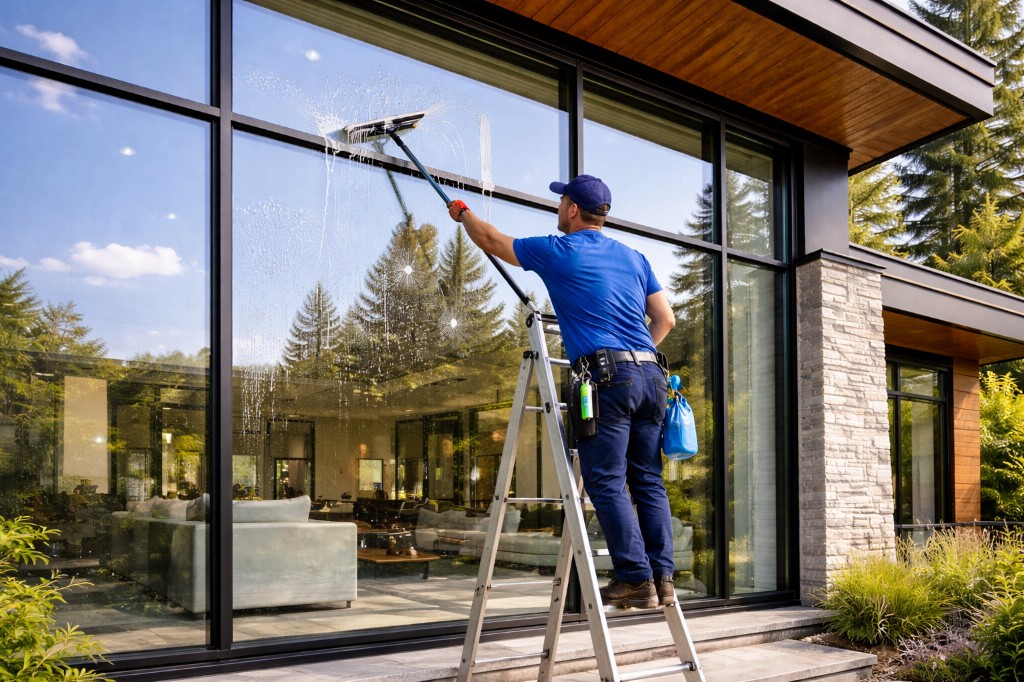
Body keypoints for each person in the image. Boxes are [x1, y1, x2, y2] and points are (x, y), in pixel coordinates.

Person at [447, 174, 677, 609]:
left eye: (561, 201)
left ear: (572, 209)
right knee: (647, 480)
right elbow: (665, 319)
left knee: (605, 480)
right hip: (652, 377)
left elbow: (492, 240)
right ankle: (663, 578)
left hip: (609, 378)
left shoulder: (558, 250)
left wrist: (462, 214)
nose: (558, 208)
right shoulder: (634, 257)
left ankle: (634, 578)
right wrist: (633, 356)